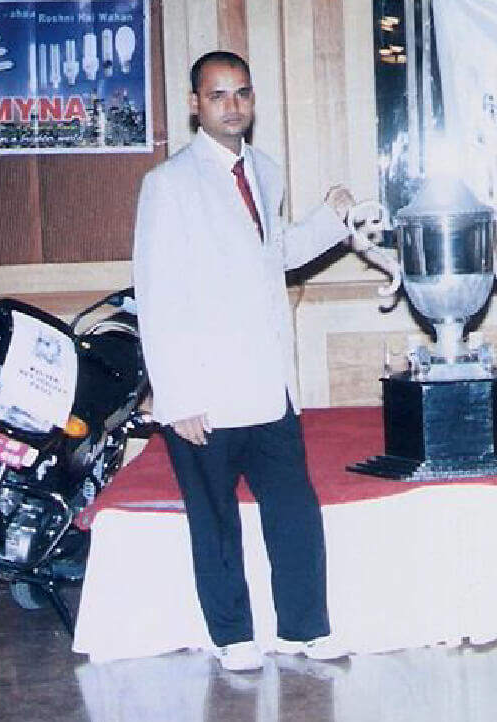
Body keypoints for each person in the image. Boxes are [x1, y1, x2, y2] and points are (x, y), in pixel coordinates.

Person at [132, 50, 355, 671]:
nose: (233, 107)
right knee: (215, 522)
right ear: (194, 105)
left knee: (295, 512)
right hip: (202, 392)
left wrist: (330, 219)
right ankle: (232, 636)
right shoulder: (168, 184)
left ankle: (305, 628)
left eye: (242, 94)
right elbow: (156, 293)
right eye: (218, 95)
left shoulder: (265, 170)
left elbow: (272, 255)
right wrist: (176, 397)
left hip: (266, 386)